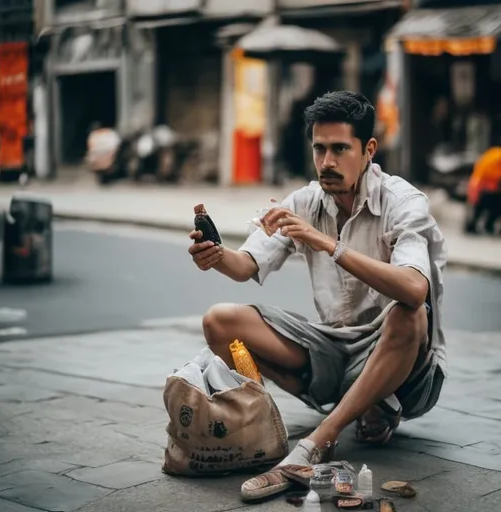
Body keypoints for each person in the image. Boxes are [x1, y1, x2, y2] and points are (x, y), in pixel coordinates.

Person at [188, 91, 447, 501]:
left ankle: (317, 442)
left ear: (368, 150)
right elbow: (243, 266)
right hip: (332, 353)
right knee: (219, 321)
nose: (327, 162)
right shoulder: (304, 202)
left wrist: (327, 244)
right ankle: (284, 422)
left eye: (340, 149)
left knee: (410, 313)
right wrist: (214, 255)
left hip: (401, 361)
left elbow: (415, 288)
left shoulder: (403, 202)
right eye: (319, 149)